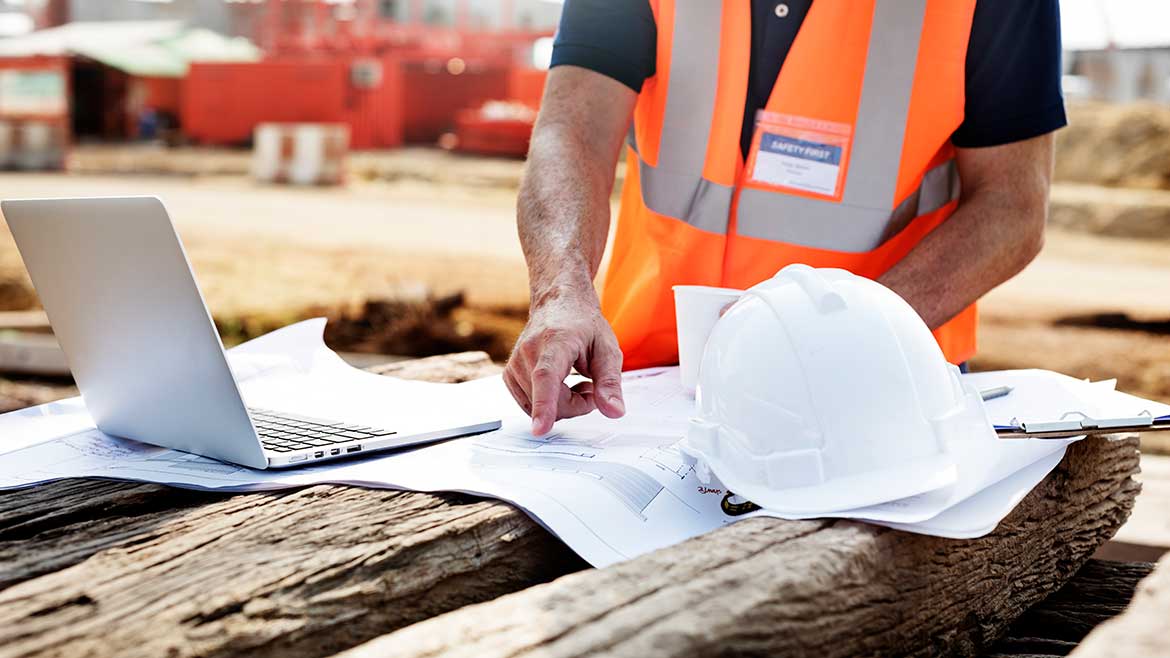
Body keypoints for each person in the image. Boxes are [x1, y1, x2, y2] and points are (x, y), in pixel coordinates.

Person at [505, 0, 1066, 435]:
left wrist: (841, 335)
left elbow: (1012, 206)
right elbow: (571, 131)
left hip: (874, 386)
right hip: (651, 384)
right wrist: (562, 293)